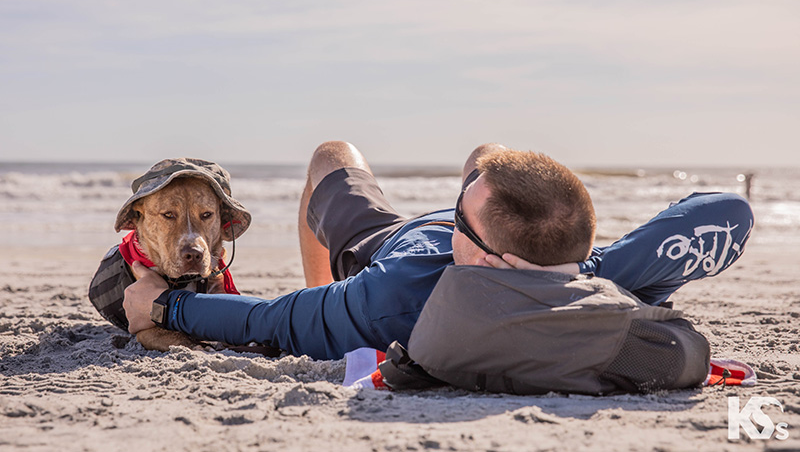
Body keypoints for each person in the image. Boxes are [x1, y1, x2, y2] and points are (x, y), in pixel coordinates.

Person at [123, 142, 754, 360]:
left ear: (488, 259)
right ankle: (496, 177)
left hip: (386, 246)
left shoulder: (391, 298)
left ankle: (325, 286)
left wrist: (165, 307)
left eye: (459, 214)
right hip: (534, 247)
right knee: (487, 152)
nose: (449, 208)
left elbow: (269, 321)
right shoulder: (603, 275)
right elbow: (727, 210)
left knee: (331, 157)